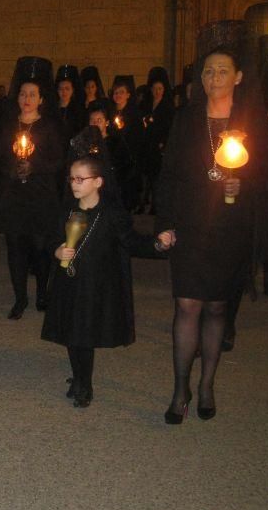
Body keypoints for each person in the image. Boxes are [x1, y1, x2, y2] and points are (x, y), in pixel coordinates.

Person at [155, 20, 268, 424]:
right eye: (209, 71)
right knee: (186, 305)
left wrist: (241, 182)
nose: (214, 78)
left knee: (215, 309)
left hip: (231, 229)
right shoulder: (185, 119)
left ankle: (208, 383)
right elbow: (167, 175)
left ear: (239, 77)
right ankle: (180, 388)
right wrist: (165, 222)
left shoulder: (253, 124)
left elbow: (267, 179)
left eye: (223, 71)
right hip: (192, 226)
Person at [42, 150, 158, 408]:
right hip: (69, 281)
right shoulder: (67, 210)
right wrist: (56, 249)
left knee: (84, 334)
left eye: (81, 179)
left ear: (98, 182)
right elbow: (50, 237)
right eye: (72, 179)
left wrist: (157, 245)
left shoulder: (111, 214)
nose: (74, 184)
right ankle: (78, 376)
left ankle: (85, 383)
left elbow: (132, 242)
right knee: (70, 333)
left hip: (95, 285)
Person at [0, 56, 66, 318]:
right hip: (14, 195)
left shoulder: (48, 126)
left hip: (40, 196)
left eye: (32, 94)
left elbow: (58, 160)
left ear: (41, 99)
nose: (26, 98)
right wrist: (11, 168)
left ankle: (42, 293)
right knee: (15, 247)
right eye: (23, 93)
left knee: (40, 247)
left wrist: (34, 167)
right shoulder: (9, 125)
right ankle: (20, 298)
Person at [139, 67, 176, 214]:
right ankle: (142, 204)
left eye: (160, 89)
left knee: (156, 179)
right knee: (145, 178)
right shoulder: (146, 104)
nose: (157, 91)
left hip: (158, 147)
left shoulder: (167, 107)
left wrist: (163, 143)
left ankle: (155, 205)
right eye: (155, 89)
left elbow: (169, 127)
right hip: (146, 146)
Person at [109, 75, 144, 211]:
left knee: (127, 193)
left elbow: (138, 137)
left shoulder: (134, 114)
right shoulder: (111, 112)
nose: (118, 95)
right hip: (114, 158)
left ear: (128, 95)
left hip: (128, 159)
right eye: (116, 92)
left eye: (121, 92)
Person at [56, 64, 86, 139]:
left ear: (72, 90)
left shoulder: (78, 110)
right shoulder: (53, 109)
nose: (64, 92)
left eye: (67, 88)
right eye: (61, 89)